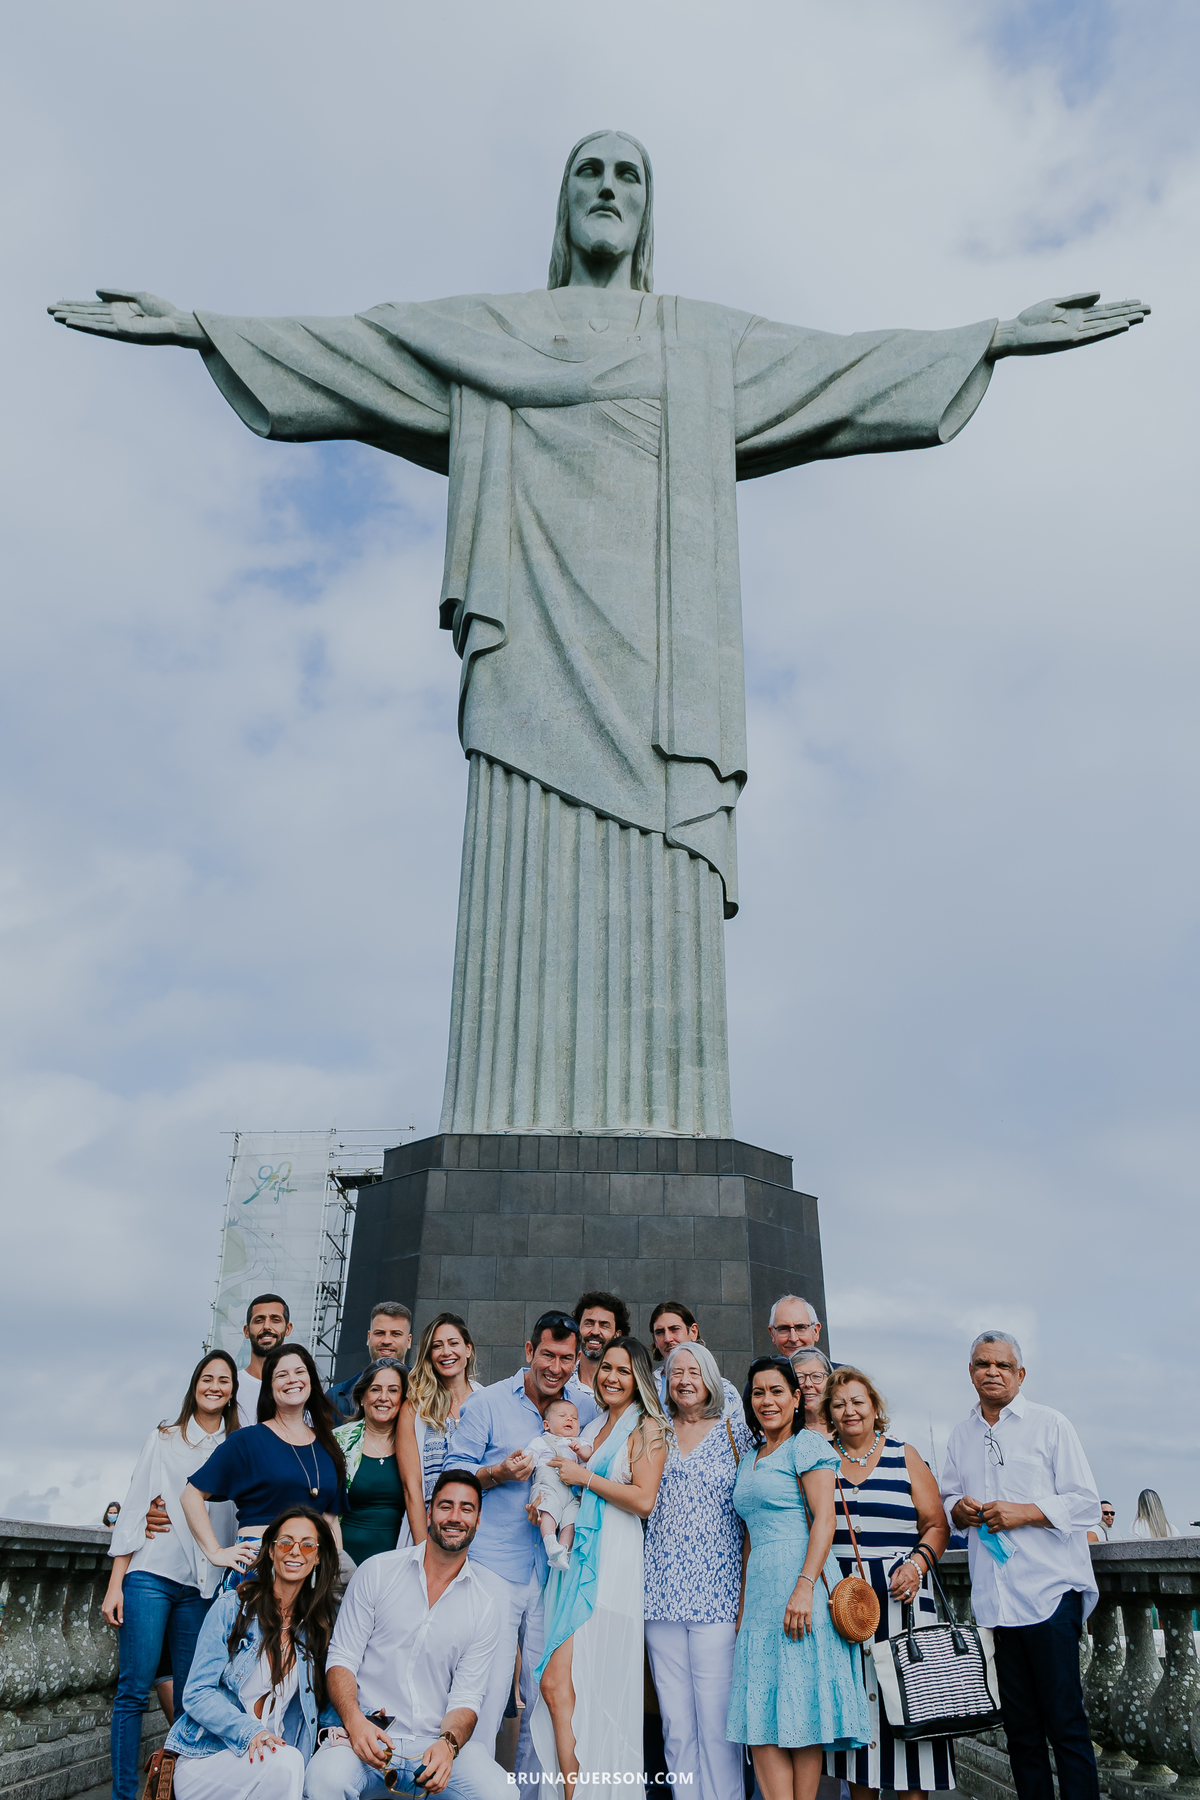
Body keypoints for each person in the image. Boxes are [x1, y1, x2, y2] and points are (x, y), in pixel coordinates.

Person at [941, 1332, 1101, 1800]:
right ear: (970, 1372)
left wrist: (1024, 1511)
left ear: (1020, 1374)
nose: (991, 1372)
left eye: (1002, 1365)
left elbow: (1086, 1503)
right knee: (1021, 1732)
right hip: (996, 1604)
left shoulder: (1050, 1425)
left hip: (1049, 1596)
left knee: (1066, 1725)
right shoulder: (960, 1434)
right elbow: (949, 1496)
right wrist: (959, 1510)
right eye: (981, 1364)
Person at [442, 1312, 598, 1769]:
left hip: (556, 1571)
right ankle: (470, 1786)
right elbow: (452, 1477)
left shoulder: (584, 1409)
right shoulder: (488, 1404)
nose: (556, 1367)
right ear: (530, 1352)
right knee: (487, 1689)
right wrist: (497, 1474)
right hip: (496, 1565)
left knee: (547, 1691)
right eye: (548, 1355)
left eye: (567, 1358)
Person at [305, 1470, 509, 1800]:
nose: (455, 1517)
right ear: (429, 1512)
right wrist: (355, 1724)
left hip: (433, 1743)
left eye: (466, 1508)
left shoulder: (484, 1607)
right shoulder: (377, 1572)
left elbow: (466, 1699)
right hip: (368, 1731)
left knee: (499, 1793)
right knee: (323, 1781)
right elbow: (342, 1659)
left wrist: (449, 1745)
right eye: (446, 1506)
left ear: (478, 1520)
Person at [727, 1356, 869, 1800]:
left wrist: (805, 1586)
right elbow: (748, 1537)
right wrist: (743, 1607)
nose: (766, 1400)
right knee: (762, 1716)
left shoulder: (806, 1445)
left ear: (794, 1398)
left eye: (776, 1391)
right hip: (761, 1595)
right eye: (757, 1392)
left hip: (801, 1583)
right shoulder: (749, 1457)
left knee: (802, 1708)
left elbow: (825, 1519)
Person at [532, 1336, 669, 1795]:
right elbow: (567, 1481)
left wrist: (584, 1478)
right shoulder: (593, 1426)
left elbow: (644, 1500)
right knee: (558, 1685)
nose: (611, 1377)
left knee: (586, 1684)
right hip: (574, 1561)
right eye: (607, 1367)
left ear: (639, 1380)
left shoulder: (649, 1427)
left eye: (624, 1371)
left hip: (611, 1561)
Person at [103, 1351, 242, 1800]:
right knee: (132, 1690)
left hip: (202, 1588)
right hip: (151, 1576)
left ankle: (177, 1789)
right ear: (194, 1384)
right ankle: (124, 1795)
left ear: (233, 1390)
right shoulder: (164, 1437)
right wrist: (114, 1585)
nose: (215, 1386)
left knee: (192, 1700)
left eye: (224, 1380)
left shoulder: (239, 1446)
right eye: (207, 1378)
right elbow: (133, 1505)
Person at [821, 1367, 954, 1800]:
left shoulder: (905, 1455)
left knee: (913, 1714)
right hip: (846, 1610)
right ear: (830, 1413)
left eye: (858, 1402)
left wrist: (916, 1565)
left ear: (875, 1408)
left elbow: (936, 1524)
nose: (849, 1411)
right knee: (859, 1724)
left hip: (906, 1604)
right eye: (839, 1404)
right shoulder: (820, 1460)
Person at [164, 1508, 340, 1800]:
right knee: (289, 1762)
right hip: (210, 1757)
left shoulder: (316, 1630)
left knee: (293, 1765)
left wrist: (345, 1727)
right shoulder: (232, 1608)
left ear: (318, 1557)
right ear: (271, 1551)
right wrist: (250, 1732)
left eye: (307, 1544)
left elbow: (325, 1702)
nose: (295, 1551)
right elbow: (196, 1693)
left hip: (271, 1762)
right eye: (286, 1542)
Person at [644, 1343, 750, 1800]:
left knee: (717, 1722)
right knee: (675, 1723)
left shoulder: (736, 1432)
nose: (684, 1379)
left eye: (693, 1371)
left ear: (710, 1379)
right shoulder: (652, 1431)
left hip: (718, 1595)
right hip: (659, 1595)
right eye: (674, 1372)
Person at [182, 1346, 347, 1589]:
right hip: (259, 1565)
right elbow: (191, 1495)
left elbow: (331, 1521)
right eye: (282, 1375)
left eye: (299, 1371)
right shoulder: (247, 1441)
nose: (292, 1379)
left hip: (311, 1572)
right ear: (269, 1387)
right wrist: (216, 1552)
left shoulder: (329, 1447)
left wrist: (334, 1573)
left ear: (311, 1379)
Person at [399, 1313, 484, 1541]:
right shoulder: (414, 1408)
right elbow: (411, 1488)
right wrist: (423, 1547)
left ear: (468, 1349)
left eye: (453, 1343)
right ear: (429, 1355)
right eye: (437, 1346)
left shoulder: (488, 1402)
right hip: (427, 1528)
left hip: (479, 1532)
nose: (446, 1352)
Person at [334, 1360, 423, 1568]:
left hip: (399, 1563)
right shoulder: (338, 1442)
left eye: (393, 1390)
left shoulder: (418, 1443)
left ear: (403, 1399)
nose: (384, 1398)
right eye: (375, 1389)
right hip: (344, 1563)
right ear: (362, 1397)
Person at [326, 1304, 414, 1425]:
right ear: (369, 1337)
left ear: (408, 1341)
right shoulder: (336, 1397)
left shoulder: (429, 1391)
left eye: (395, 1334)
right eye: (380, 1333)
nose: (386, 1341)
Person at [526, 1397, 583, 1571]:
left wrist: (581, 1450)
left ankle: (562, 1550)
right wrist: (523, 1462)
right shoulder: (541, 1441)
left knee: (572, 1519)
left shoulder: (580, 1442)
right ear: (546, 1425)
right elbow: (529, 1459)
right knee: (548, 1508)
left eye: (574, 1418)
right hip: (549, 1483)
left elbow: (588, 1456)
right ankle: (550, 1540)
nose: (569, 1419)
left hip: (571, 1491)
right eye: (563, 1416)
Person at [650, 1302, 741, 1412]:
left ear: (693, 1332)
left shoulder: (726, 1390)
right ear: (655, 1340)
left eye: (674, 1329)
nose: (667, 1338)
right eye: (659, 1332)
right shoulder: (646, 1387)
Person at [238, 1297, 295, 1428]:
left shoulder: (301, 1388)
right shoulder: (229, 1386)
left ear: (288, 1328)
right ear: (246, 1331)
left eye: (275, 1320)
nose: (267, 1326)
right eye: (259, 1320)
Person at [572, 1292, 630, 1394]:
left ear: (617, 1335)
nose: (595, 1331)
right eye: (589, 1323)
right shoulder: (562, 1379)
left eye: (604, 1325)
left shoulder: (627, 1386)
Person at [790, 1349, 833, 1439]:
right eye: (799, 1377)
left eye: (817, 1376)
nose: (808, 1384)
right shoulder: (780, 1432)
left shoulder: (845, 1426)